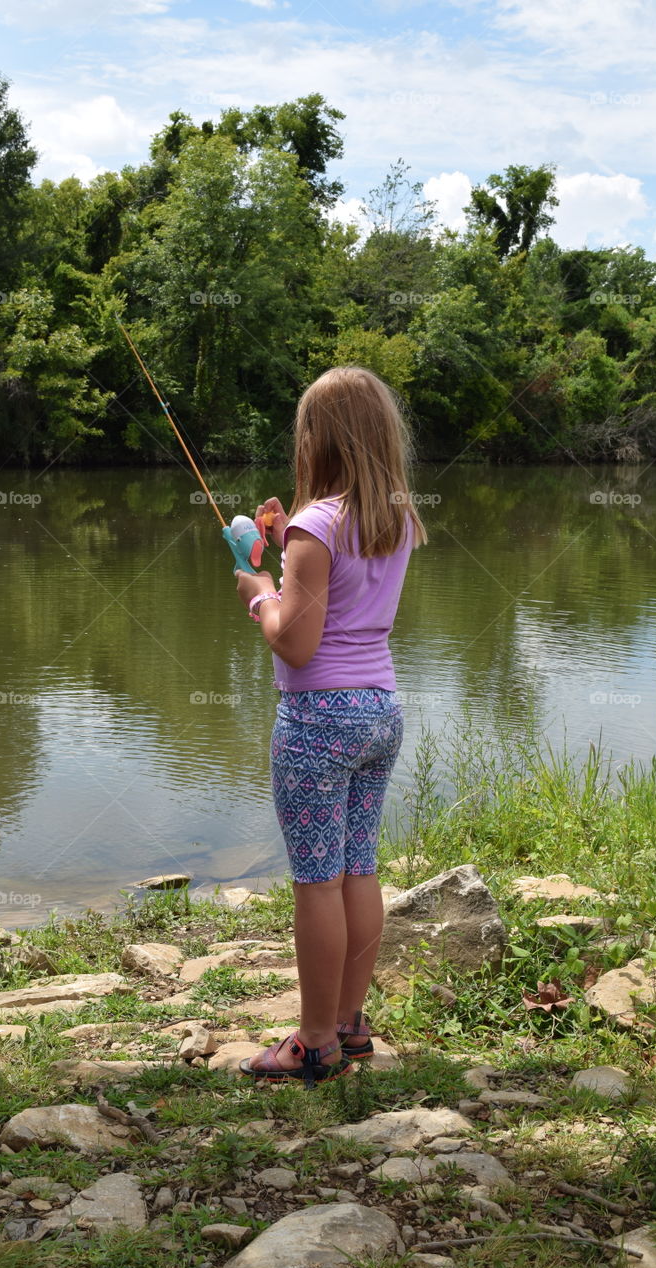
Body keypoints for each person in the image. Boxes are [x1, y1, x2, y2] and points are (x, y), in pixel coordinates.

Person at [233, 365, 427, 1087]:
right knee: (357, 867)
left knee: (315, 881)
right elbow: (339, 592)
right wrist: (287, 544)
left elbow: (296, 641)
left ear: (317, 439)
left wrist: (257, 592)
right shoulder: (397, 519)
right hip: (379, 713)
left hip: (319, 720)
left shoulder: (317, 528)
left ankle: (312, 1043)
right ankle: (349, 1023)